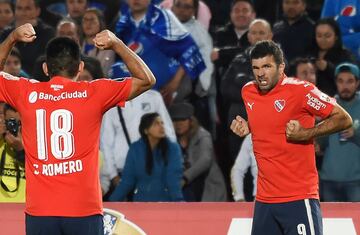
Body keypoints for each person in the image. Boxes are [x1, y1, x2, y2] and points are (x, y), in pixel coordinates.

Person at [0, 23, 155, 235]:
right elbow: (146, 80)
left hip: (40, 211)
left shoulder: (26, 92)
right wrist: (117, 43)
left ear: (46, 68)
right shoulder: (94, 92)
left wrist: (12, 38)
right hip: (84, 209)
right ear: (80, 67)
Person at [230, 40, 352, 234]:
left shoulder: (301, 91)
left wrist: (306, 133)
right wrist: (248, 127)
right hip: (264, 201)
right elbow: (269, 120)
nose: (261, 73)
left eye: (267, 66)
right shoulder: (248, 91)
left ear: (281, 67)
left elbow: (344, 119)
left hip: (298, 197)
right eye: (256, 67)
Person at [109, 112, 183, 202]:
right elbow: (127, 181)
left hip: (165, 202)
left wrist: (178, 201)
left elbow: (173, 179)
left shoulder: (172, 148)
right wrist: (111, 203)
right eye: (156, 124)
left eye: (162, 123)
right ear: (146, 130)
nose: (161, 126)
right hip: (140, 203)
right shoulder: (135, 149)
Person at [318, 62, 360, 202]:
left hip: (355, 181)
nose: (345, 86)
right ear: (336, 83)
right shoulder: (328, 105)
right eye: (341, 81)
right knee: (331, 224)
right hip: (329, 179)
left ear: (357, 83)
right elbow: (320, 143)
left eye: (350, 81)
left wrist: (356, 133)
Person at [169, 102, 227, 201]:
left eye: (183, 119)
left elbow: (205, 160)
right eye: (175, 120)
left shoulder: (203, 135)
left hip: (207, 187)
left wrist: (185, 178)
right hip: (183, 190)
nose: (179, 124)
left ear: (191, 121)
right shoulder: (171, 139)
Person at [0, 103, 26, 202]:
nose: (14, 127)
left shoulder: (36, 143)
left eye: (18, 123)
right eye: (10, 122)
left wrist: (20, 150)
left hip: (25, 206)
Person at [231, 134, 257, 202]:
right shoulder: (251, 137)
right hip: (261, 202)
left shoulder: (287, 134)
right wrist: (239, 198)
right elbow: (237, 170)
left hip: (286, 199)